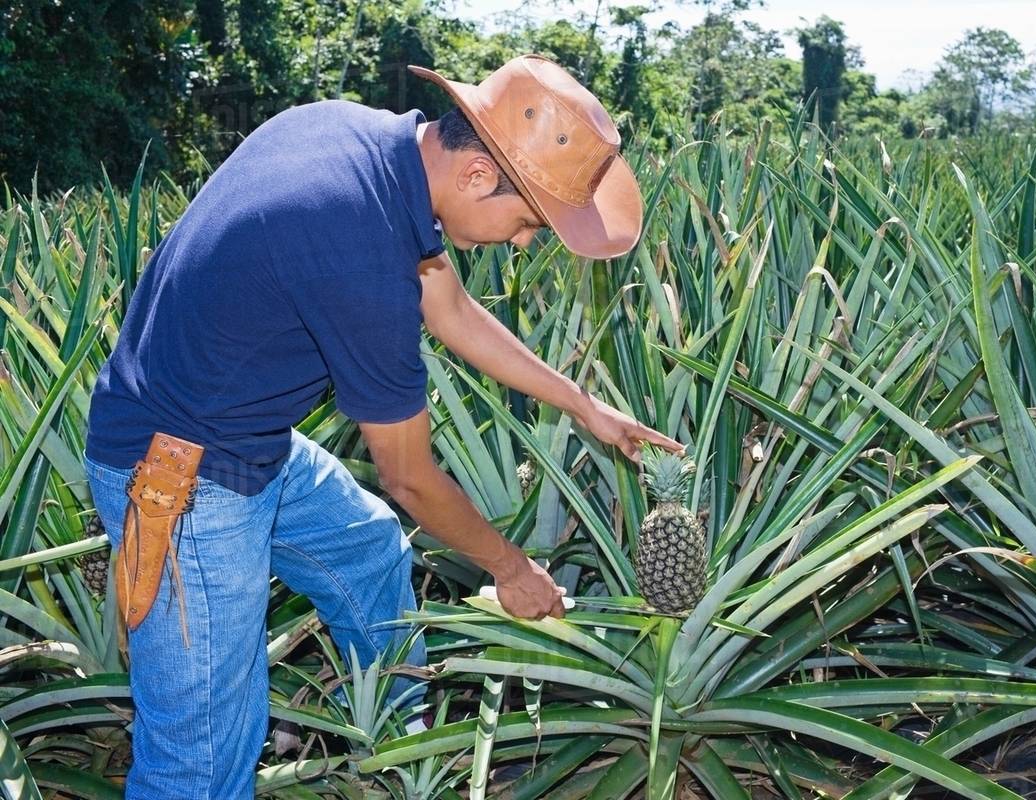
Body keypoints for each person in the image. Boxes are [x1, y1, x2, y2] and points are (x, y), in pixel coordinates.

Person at [83, 54, 683, 799]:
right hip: (181, 479)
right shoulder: (356, 243)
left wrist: (583, 406)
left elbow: (454, 310)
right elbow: (409, 478)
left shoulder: (363, 140)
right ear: (475, 178)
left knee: (369, 554)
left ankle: (405, 758)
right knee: (201, 756)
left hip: (245, 435)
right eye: (527, 221)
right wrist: (511, 568)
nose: (524, 242)